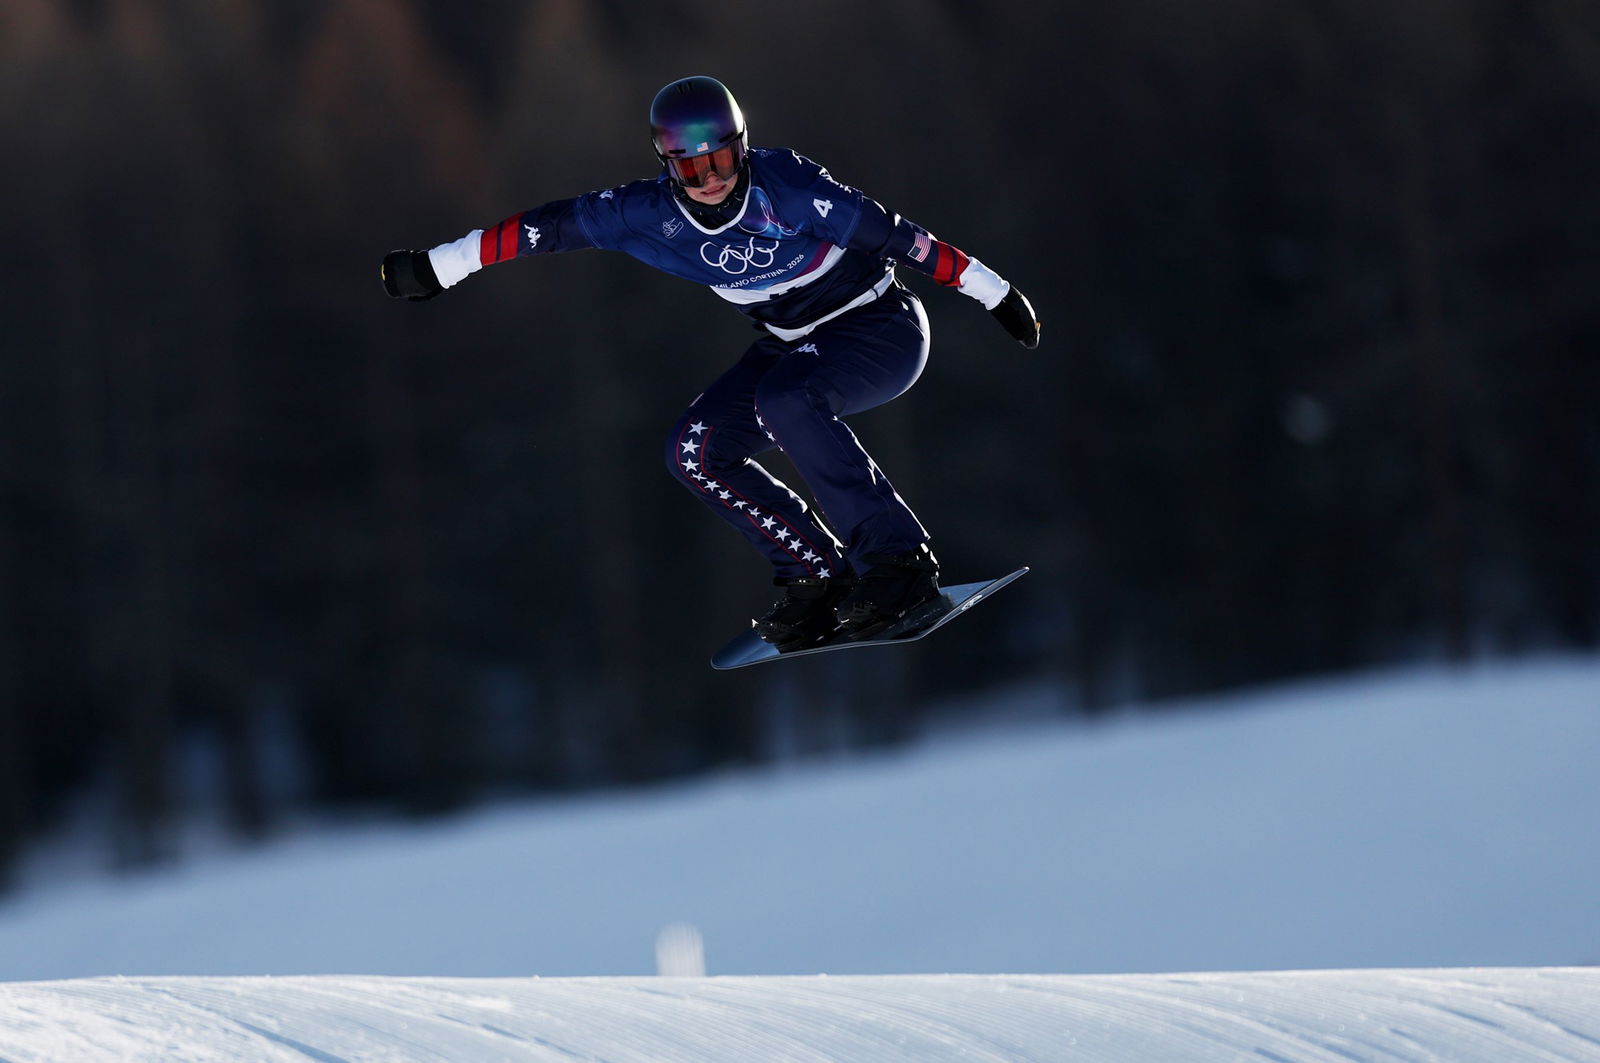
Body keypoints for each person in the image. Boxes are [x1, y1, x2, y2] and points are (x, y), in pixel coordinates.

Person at [382, 76, 1039, 650]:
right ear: (668, 166)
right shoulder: (643, 214)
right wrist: (443, 265)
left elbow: (901, 236)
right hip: (790, 342)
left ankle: (898, 562)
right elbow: (545, 228)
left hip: (878, 327)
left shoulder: (792, 188)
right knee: (693, 450)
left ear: (743, 147)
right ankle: (813, 570)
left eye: (722, 160)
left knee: (784, 398)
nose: (712, 181)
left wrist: (995, 292)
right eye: (693, 170)